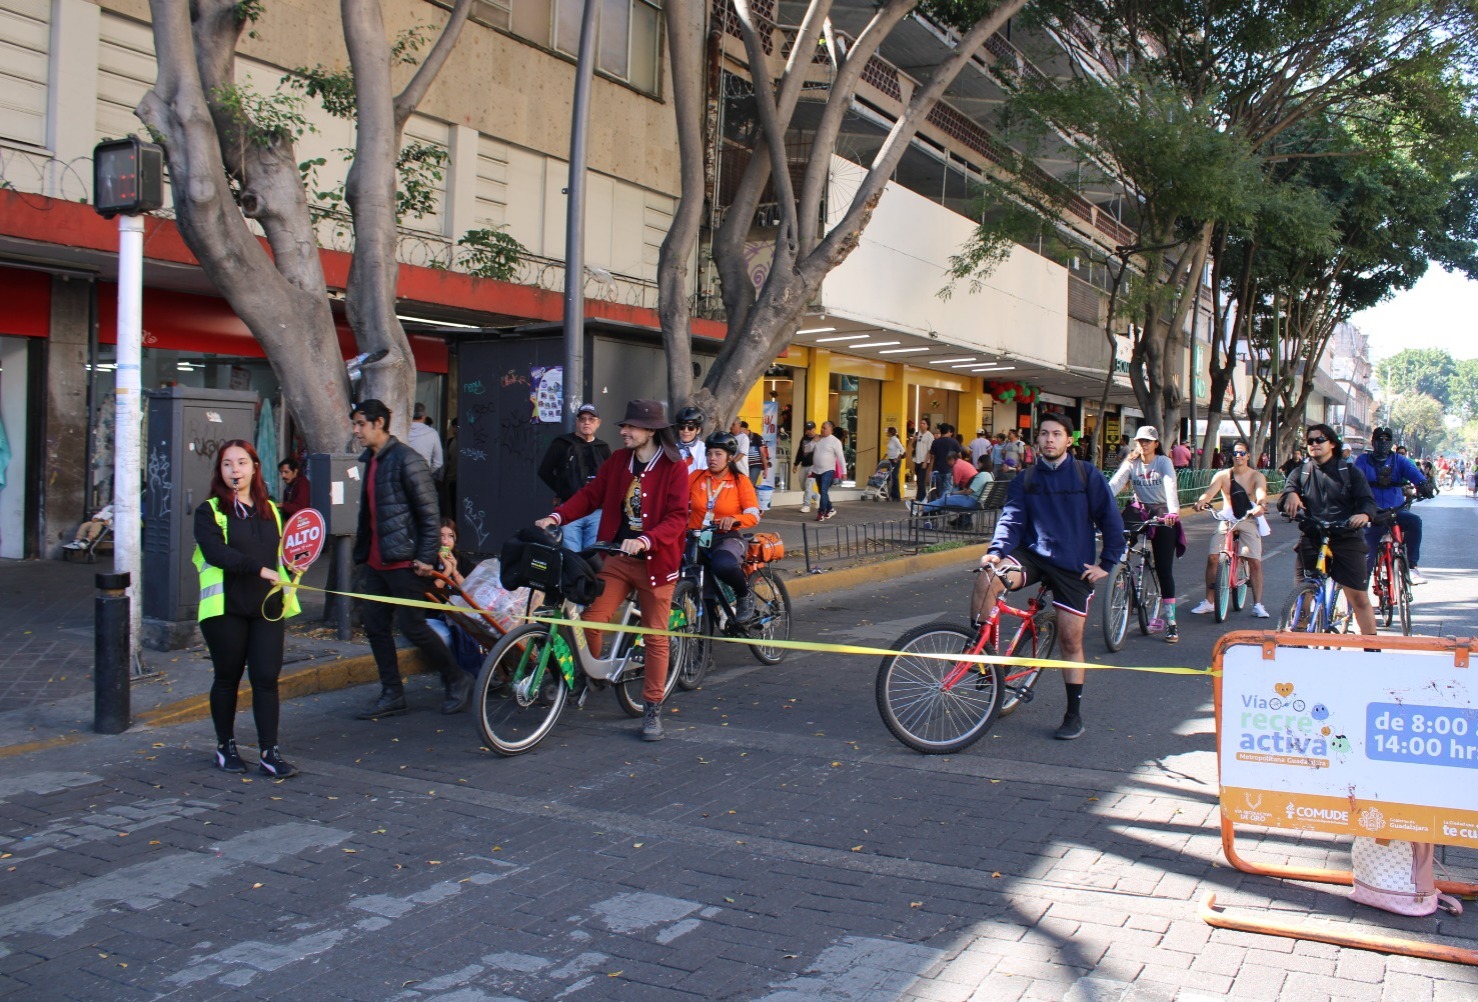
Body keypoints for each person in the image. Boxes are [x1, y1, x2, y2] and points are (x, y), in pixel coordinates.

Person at [537, 399, 689, 741]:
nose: (623, 432)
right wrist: (556, 516)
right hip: (618, 558)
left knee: (655, 636)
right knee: (593, 617)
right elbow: (591, 495)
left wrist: (648, 540)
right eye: (623, 426)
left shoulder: (673, 466)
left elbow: (678, 517)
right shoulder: (619, 461)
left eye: (630, 427)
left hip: (656, 563)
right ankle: (592, 673)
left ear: (650, 431)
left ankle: (652, 707)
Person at [975, 413, 1125, 741]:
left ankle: (1073, 714)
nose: (1049, 440)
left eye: (1057, 434)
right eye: (1044, 434)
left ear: (1069, 440)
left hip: (1074, 564)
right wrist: (996, 551)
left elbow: (1111, 520)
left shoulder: (1088, 476)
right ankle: (981, 654)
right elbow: (1012, 518)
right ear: (1037, 440)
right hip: (1034, 556)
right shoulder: (1026, 478)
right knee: (989, 577)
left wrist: (1107, 562)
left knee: (1071, 641)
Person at [350, 399, 473, 720]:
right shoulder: (372, 460)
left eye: (361, 424)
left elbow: (429, 515)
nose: (356, 430)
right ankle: (392, 693)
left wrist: (425, 556)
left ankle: (457, 678)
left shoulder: (407, 460)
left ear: (379, 424)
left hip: (406, 563)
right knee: (375, 625)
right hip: (378, 563)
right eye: (355, 424)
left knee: (413, 627)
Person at [192, 440, 300, 777]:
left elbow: (285, 557)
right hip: (226, 608)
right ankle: (225, 747)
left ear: (254, 467)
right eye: (227, 464)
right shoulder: (209, 511)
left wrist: (294, 568)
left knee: (266, 678)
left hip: (267, 608)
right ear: (219, 471)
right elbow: (215, 554)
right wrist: (259, 569)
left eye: (241, 463)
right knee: (228, 678)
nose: (234, 470)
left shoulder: (272, 510)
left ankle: (270, 752)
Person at [1278, 423, 1378, 635]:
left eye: (1320, 440)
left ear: (1332, 443)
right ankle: (1298, 640)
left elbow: (1368, 501)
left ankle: (1372, 650)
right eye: (1310, 441)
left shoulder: (1350, 472)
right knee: (1302, 595)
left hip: (1346, 537)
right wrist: (1291, 495)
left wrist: (1364, 515)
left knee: (1359, 599)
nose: (1314, 445)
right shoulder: (1301, 472)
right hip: (1313, 537)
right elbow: (1286, 493)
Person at [1108, 426, 1184, 642]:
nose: (1144, 444)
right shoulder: (1132, 462)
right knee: (1118, 538)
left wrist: (1172, 512)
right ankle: (1122, 576)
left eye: (1148, 441)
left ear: (1156, 444)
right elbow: (1115, 483)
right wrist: (1097, 502)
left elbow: (1170, 485)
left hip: (1162, 511)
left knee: (1164, 569)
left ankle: (1171, 623)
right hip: (1138, 509)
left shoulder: (1163, 462)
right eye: (1140, 441)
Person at [1190, 440, 1271, 618]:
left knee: (1254, 561)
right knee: (1212, 557)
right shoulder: (1222, 476)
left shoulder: (1256, 476)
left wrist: (1261, 505)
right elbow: (1209, 492)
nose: (1238, 456)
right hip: (1227, 519)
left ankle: (1258, 604)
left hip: (1248, 519)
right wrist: (1202, 501)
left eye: (1242, 453)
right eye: (1235, 453)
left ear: (1248, 455)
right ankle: (1209, 602)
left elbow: (1261, 493)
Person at [687, 432, 762, 621]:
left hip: (726, 537)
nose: (712, 458)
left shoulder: (740, 481)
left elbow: (753, 515)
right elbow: (676, 503)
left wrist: (734, 519)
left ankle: (744, 595)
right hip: (697, 537)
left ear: (730, 457)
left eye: (718, 454)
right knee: (694, 586)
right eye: (709, 453)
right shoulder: (696, 477)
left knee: (723, 565)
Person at [1354, 426, 1431, 585]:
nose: (1383, 442)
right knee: (1365, 565)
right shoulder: (1362, 460)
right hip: (1371, 513)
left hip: (1396, 511)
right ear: (1372, 441)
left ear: (1392, 442)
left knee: (1415, 522)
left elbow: (1414, 474)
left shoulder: (1399, 460)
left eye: (1387, 439)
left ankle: (1411, 566)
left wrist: (1423, 484)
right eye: (1379, 439)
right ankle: (1360, 603)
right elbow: (1352, 480)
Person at [536, 403, 612, 554]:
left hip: (597, 511)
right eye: (582, 419)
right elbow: (544, 471)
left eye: (591, 419)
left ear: (598, 423)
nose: (586, 422)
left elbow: (611, 477)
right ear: (577, 422)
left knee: (594, 556)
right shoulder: (562, 444)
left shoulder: (602, 448)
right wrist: (562, 490)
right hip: (570, 508)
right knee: (572, 555)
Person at [425, 518, 484, 677]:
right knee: (445, 637)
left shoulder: (462, 562)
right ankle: (457, 674)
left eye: (450, 536)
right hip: (433, 616)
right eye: (441, 536)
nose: (445, 541)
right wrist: (445, 572)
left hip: (459, 616)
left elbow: (472, 593)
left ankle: (476, 671)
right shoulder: (427, 562)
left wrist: (455, 571)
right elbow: (427, 598)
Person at [808, 420, 846, 521]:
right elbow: (806, 450)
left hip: (828, 470)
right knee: (822, 492)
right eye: (821, 427)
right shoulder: (818, 439)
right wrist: (813, 441)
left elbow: (841, 457)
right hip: (816, 470)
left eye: (824, 428)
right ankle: (830, 508)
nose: (822, 430)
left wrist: (844, 472)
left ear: (831, 430)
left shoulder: (835, 442)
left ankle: (821, 513)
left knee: (824, 490)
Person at [408, 402, 445, 481]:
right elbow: (438, 462)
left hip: (404, 477)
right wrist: (428, 472)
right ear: (424, 417)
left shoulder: (403, 430)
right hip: (423, 478)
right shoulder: (432, 433)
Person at [926, 423, 957, 497]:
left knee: (938, 490)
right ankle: (945, 504)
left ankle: (939, 503)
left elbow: (932, 457)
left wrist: (930, 470)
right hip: (949, 470)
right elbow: (959, 456)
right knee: (947, 489)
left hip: (937, 470)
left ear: (940, 431)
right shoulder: (953, 442)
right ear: (948, 431)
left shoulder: (935, 442)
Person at [793, 421, 819, 512]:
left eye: (810, 429)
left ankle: (806, 505)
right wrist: (796, 464)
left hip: (813, 466)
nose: (809, 431)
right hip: (804, 465)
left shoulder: (818, 439)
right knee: (803, 486)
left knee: (808, 486)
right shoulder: (804, 438)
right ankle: (816, 496)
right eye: (807, 429)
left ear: (815, 429)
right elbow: (800, 451)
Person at [674, 405, 707, 474]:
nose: (686, 431)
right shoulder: (672, 450)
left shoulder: (704, 450)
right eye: (682, 427)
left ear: (698, 430)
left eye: (691, 428)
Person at [741, 420, 770, 486]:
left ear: (746, 429)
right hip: (745, 466)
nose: (740, 433)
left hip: (755, 465)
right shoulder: (741, 438)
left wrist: (766, 469)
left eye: (741, 431)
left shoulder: (756, 437)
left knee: (750, 485)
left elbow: (763, 454)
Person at [912, 419, 934, 501]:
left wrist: (925, 462)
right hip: (916, 459)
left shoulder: (929, 436)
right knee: (918, 480)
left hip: (924, 461)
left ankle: (920, 498)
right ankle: (922, 496)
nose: (921, 424)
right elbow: (913, 446)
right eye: (921, 423)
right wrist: (914, 439)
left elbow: (929, 450)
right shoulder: (918, 433)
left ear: (927, 425)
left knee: (921, 480)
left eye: (924, 423)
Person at [884, 426, 905, 501]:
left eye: (887, 431)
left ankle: (897, 496)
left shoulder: (895, 440)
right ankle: (890, 494)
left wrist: (897, 458)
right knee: (888, 477)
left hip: (895, 461)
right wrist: (883, 457)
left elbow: (902, 450)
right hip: (890, 460)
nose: (886, 433)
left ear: (890, 432)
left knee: (894, 477)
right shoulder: (890, 440)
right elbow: (888, 450)